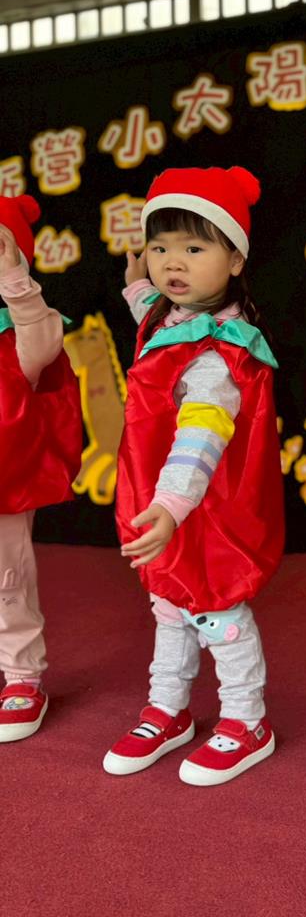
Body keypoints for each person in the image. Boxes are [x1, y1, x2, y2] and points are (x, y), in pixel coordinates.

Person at [103, 166, 284, 786]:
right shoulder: (167, 317)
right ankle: (168, 710)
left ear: (235, 260)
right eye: (160, 248)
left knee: (217, 614)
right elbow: (147, 306)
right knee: (169, 606)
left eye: (194, 249)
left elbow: (200, 434)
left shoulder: (218, 353)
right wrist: (136, 282)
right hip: (164, 503)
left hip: (205, 508)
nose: (172, 263)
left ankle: (246, 720)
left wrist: (171, 506)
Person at [0, 194, 81, 743]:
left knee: (7, 584)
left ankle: (22, 677)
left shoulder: (20, 337)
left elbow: (43, 335)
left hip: (5, 486)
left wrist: (15, 279)